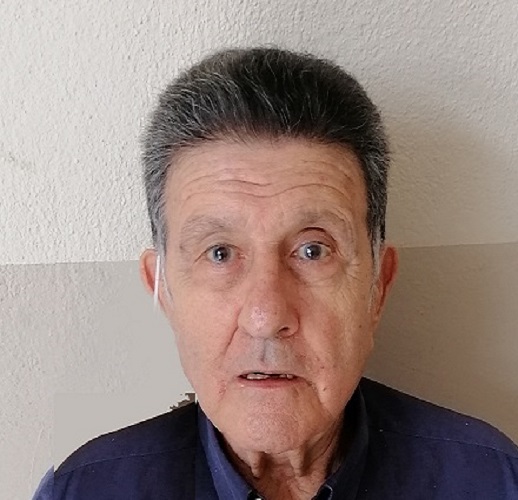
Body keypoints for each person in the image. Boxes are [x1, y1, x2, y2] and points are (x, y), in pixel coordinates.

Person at [34, 47, 518, 500]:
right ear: (162, 291)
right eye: (220, 253)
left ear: (378, 288)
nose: (266, 317)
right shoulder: (85, 490)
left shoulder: (493, 482)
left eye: (313, 250)